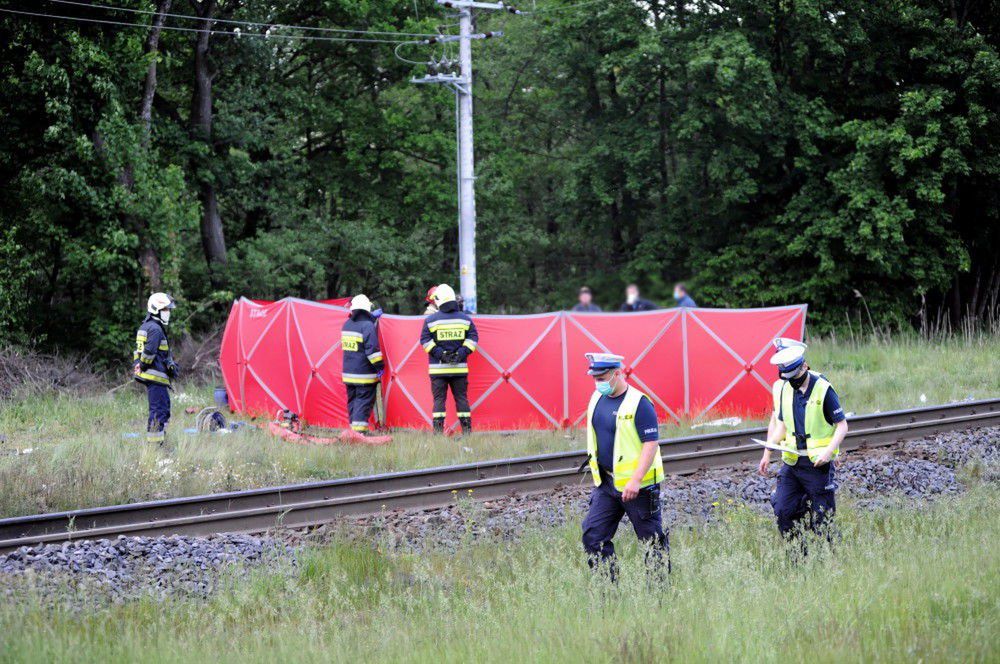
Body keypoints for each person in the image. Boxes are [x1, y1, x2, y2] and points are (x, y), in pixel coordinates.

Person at [581, 352, 667, 578]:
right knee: (593, 536)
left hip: (639, 488)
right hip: (607, 483)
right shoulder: (597, 398)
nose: (597, 382)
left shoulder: (639, 403)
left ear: (617, 373)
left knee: (652, 543)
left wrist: (636, 480)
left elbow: (651, 443)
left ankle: (659, 596)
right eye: (595, 378)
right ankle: (608, 592)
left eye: (602, 378)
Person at [757, 338, 848, 540]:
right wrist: (768, 452)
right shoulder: (785, 388)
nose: (792, 380)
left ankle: (830, 557)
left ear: (804, 366)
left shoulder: (823, 388)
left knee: (823, 520)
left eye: (795, 374)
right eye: (787, 376)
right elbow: (780, 424)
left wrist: (830, 452)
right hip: (792, 462)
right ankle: (798, 555)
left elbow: (841, 425)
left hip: (818, 465)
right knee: (782, 509)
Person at [420, 283, 479, 434]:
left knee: (439, 401)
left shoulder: (431, 320)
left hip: (438, 370)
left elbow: (425, 341)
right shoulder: (465, 319)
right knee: (461, 399)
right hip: (459, 368)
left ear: (438, 300)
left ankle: (438, 433)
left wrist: (442, 355)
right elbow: (473, 339)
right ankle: (467, 432)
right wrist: (461, 353)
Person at [133, 292, 180, 445]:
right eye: (165, 309)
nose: (168, 313)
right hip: (155, 377)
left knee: (164, 408)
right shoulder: (155, 329)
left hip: (156, 378)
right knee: (158, 412)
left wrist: (137, 365)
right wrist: (143, 364)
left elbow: (137, 352)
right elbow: (148, 353)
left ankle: (162, 439)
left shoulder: (146, 326)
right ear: (156, 309)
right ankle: (155, 446)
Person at [341, 294, 383, 434]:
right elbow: (373, 352)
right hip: (364, 375)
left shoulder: (346, 325)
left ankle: (353, 431)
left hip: (348, 375)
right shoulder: (367, 326)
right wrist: (380, 367)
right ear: (367, 309)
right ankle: (359, 434)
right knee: (363, 403)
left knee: (352, 403)